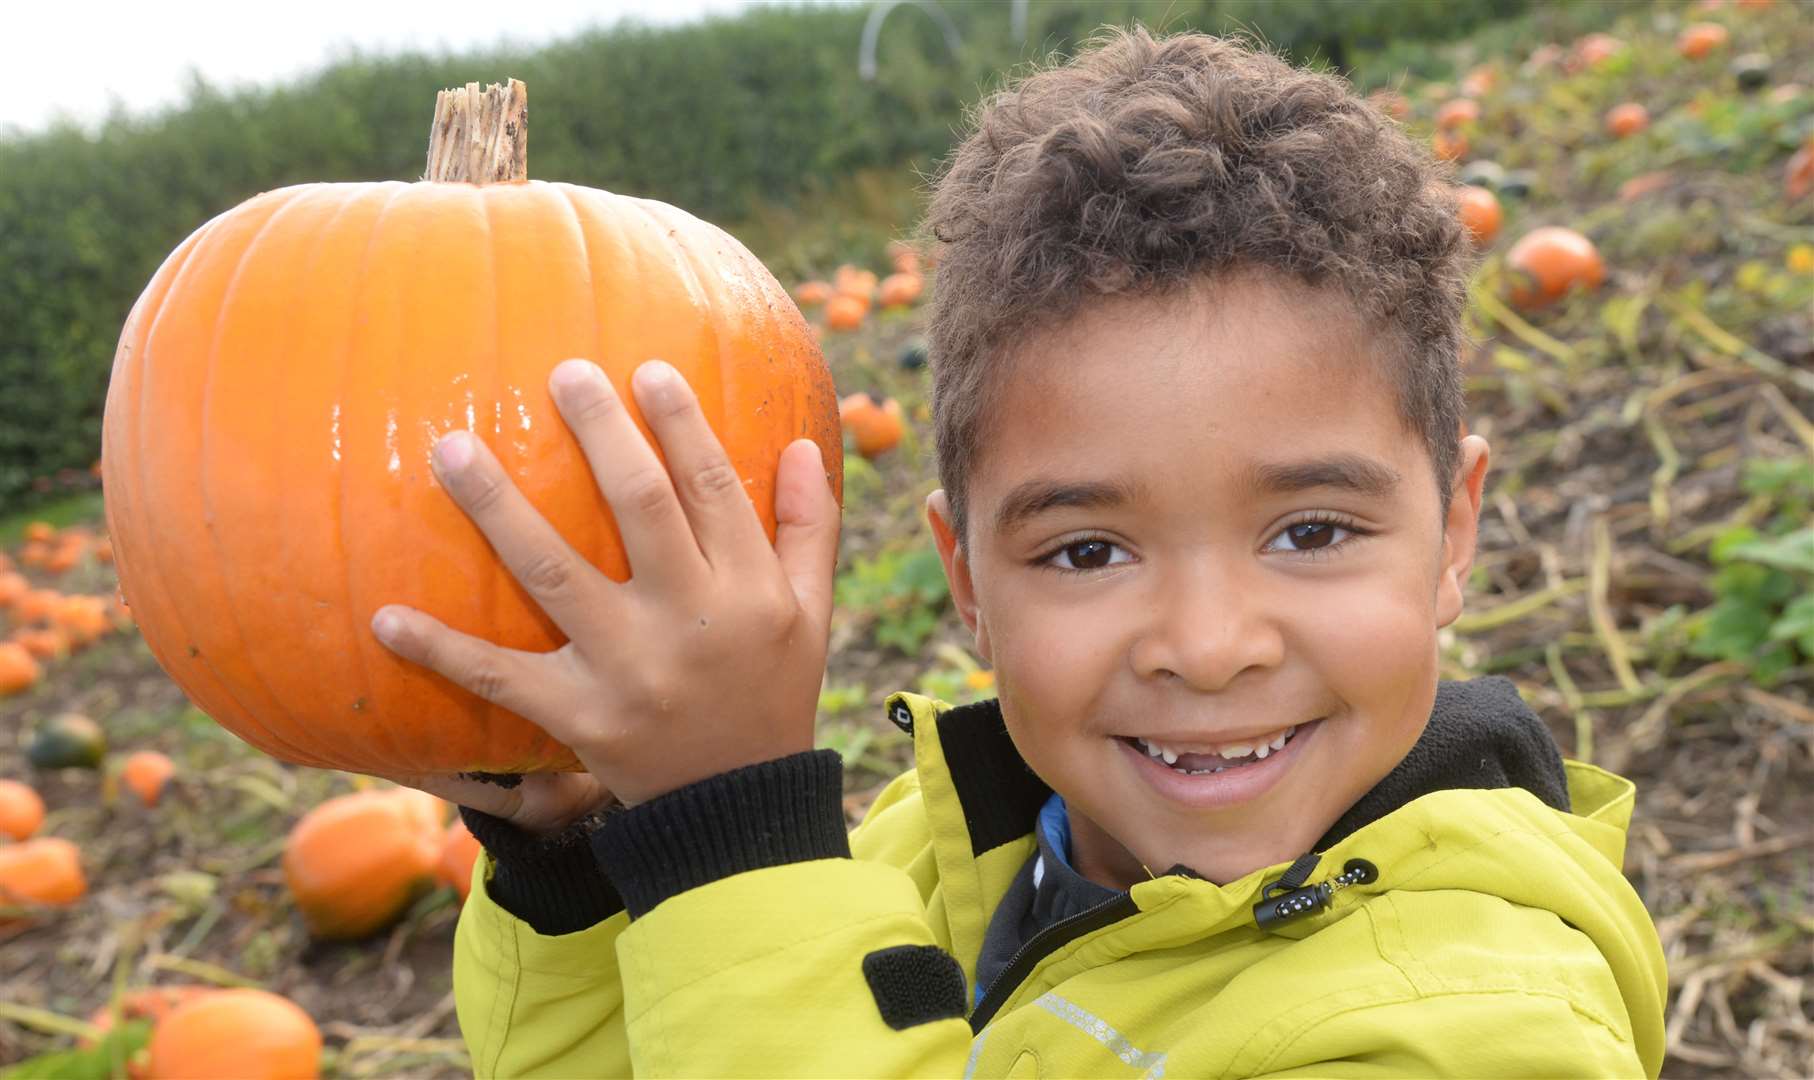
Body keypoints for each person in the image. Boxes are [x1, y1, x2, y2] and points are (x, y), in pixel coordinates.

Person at [371, 25, 1667, 1078]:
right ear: (965, 582)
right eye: (1088, 551)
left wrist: (735, 854)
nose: (1206, 649)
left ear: (1455, 533)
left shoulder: (1475, 1023)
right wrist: (587, 869)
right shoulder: (923, 861)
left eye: (1310, 532)